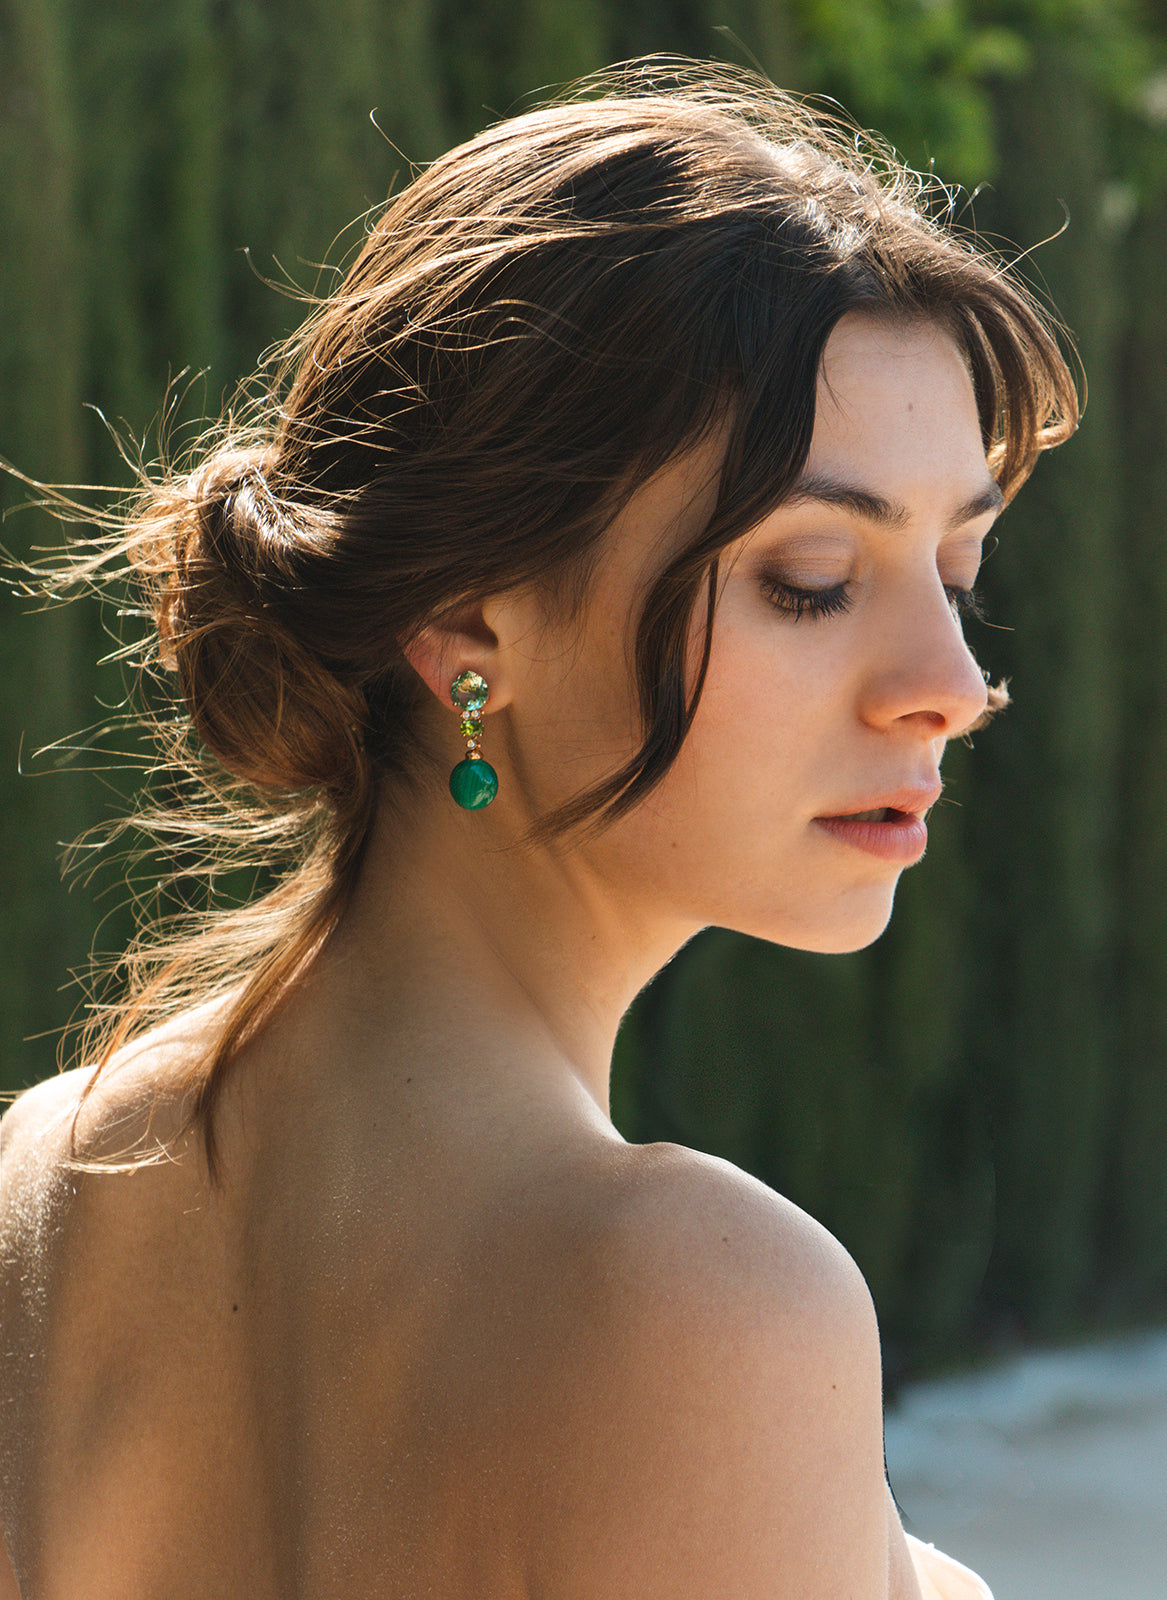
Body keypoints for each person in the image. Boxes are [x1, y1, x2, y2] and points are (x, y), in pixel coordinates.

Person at [0, 60, 1076, 1599]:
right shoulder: (704, 1305)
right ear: (466, 624)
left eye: (958, 576)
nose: (952, 688)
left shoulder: (48, 1178)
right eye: (812, 583)